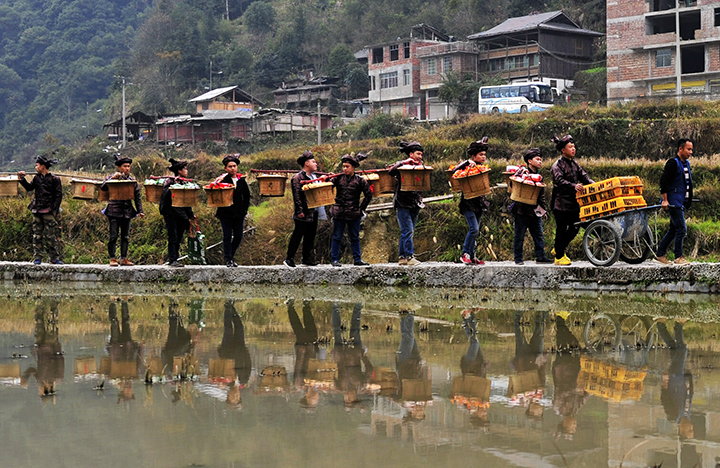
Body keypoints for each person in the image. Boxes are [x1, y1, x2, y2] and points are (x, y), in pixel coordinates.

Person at [550, 134, 594, 266]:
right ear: (563, 150)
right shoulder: (557, 165)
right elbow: (559, 180)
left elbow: (585, 177)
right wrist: (574, 186)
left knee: (575, 227)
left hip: (573, 203)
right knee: (561, 229)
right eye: (570, 147)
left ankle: (559, 247)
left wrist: (595, 185)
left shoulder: (574, 164)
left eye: (574, 146)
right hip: (560, 203)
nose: (573, 149)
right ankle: (559, 256)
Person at [18, 154, 63, 265]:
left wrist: (54, 210)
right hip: (37, 209)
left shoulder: (54, 179)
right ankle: (37, 257)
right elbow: (29, 188)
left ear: (43, 166)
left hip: (48, 210)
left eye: (37, 165)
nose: (36, 167)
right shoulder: (36, 178)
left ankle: (54, 258)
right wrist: (22, 179)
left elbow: (58, 196)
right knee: (37, 235)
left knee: (50, 235)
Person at [329, 153, 372, 267]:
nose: (344, 169)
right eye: (343, 166)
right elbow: (327, 187)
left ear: (353, 167)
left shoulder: (360, 180)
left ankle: (357, 259)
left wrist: (361, 209)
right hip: (339, 212)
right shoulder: (338, 178)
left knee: (354, 237)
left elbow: (368, 195)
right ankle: (334, 259)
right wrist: (329, 178)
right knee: (337, 236)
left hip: (354, 213)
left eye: (347, 166)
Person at [101, 154, 144, 266]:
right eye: (125, 166)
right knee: (113, 235)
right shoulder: (112, 178)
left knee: (125, 236)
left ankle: (124, 258)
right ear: (119, 168)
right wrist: (112, 179)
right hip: (114, 210)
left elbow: (137, 196)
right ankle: (112, 258)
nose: (127, 168)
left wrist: (140, 210)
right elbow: (103, 187)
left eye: (129, 166)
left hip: (127, 211)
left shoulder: (132, 180)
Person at [452, 138, 490, 265]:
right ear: (473, 156)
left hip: (479, 203)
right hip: (468, 203)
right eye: (480, 155)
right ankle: (465, 254)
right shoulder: (467, 166)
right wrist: (466, 163)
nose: (483, 157)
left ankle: (472, 256)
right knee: (473, 228)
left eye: (484, 154)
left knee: (476, 229)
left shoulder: (481, 168)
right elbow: (454, 171)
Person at [512, 148, 553, 265]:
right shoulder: (522, 172)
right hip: (522, 209)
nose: (540, 162)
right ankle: (518, 258)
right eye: (537, 159)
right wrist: (520, 174)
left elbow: (541, 195)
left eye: (541, 159)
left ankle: (541, 256)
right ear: (529, 161)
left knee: (538, 234)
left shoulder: (539, 176)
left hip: (535, 209)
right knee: (519, 234)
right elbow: (512, 184)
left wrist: (543, 210)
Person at [656, 138, 694, 265]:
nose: (690, 152)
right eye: (688, 149)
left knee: (673, 229)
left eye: (691, 150)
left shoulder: (686, 164)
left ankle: (660, 253)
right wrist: (665, 200)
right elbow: (663, 182)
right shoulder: (673, 163)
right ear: (680, 149)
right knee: (681, 228)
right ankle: (678, 256)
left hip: (681, 201)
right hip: (673, 202)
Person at [388, 141, 425, 265]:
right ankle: (409, 257)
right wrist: (403, 163)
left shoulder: (420, 166)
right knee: (407, 230)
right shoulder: (403, 166)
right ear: (411, 154)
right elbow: (391, 171)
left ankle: (402, 257)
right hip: (402, 202)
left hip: (415, 202)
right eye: (418, 154)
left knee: (409, 231)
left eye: (421, 154)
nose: (420, 156)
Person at [284, 150, 322, 268]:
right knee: (298, 235)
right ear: (306, 163)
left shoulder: (314, 176)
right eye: (313, 162)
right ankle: (289, 258)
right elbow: (297, 196)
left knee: (310, 236)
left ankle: (307, 258)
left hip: (313, 210)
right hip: (304, 212)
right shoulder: (298, 177)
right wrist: (300, 211)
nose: (316, 164)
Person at [212, 154, 251, 267]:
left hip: (239, 213)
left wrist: (244, 210)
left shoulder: (241, 181)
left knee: (238, 236)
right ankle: (228, 259)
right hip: (225, 213)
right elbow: (214, 190)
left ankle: (230, 256)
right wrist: (218, 181)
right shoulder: (223, 179)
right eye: (230, 166)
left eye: (234, 166)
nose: (233, 168)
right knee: (227, 236)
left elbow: (247, 196)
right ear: (225, 168)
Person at [159, 158, 196, 268]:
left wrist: (190, 214)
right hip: (171, 214)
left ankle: (175, 258)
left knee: (179, 237)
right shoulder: (170, 184)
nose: (187, 171)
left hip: (181, 215)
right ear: (179, 171)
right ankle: (172, 259)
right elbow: (169, 202)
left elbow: (186, 202)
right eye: (185, 169)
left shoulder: (184, 183)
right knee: (173, 237)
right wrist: (185, 216)